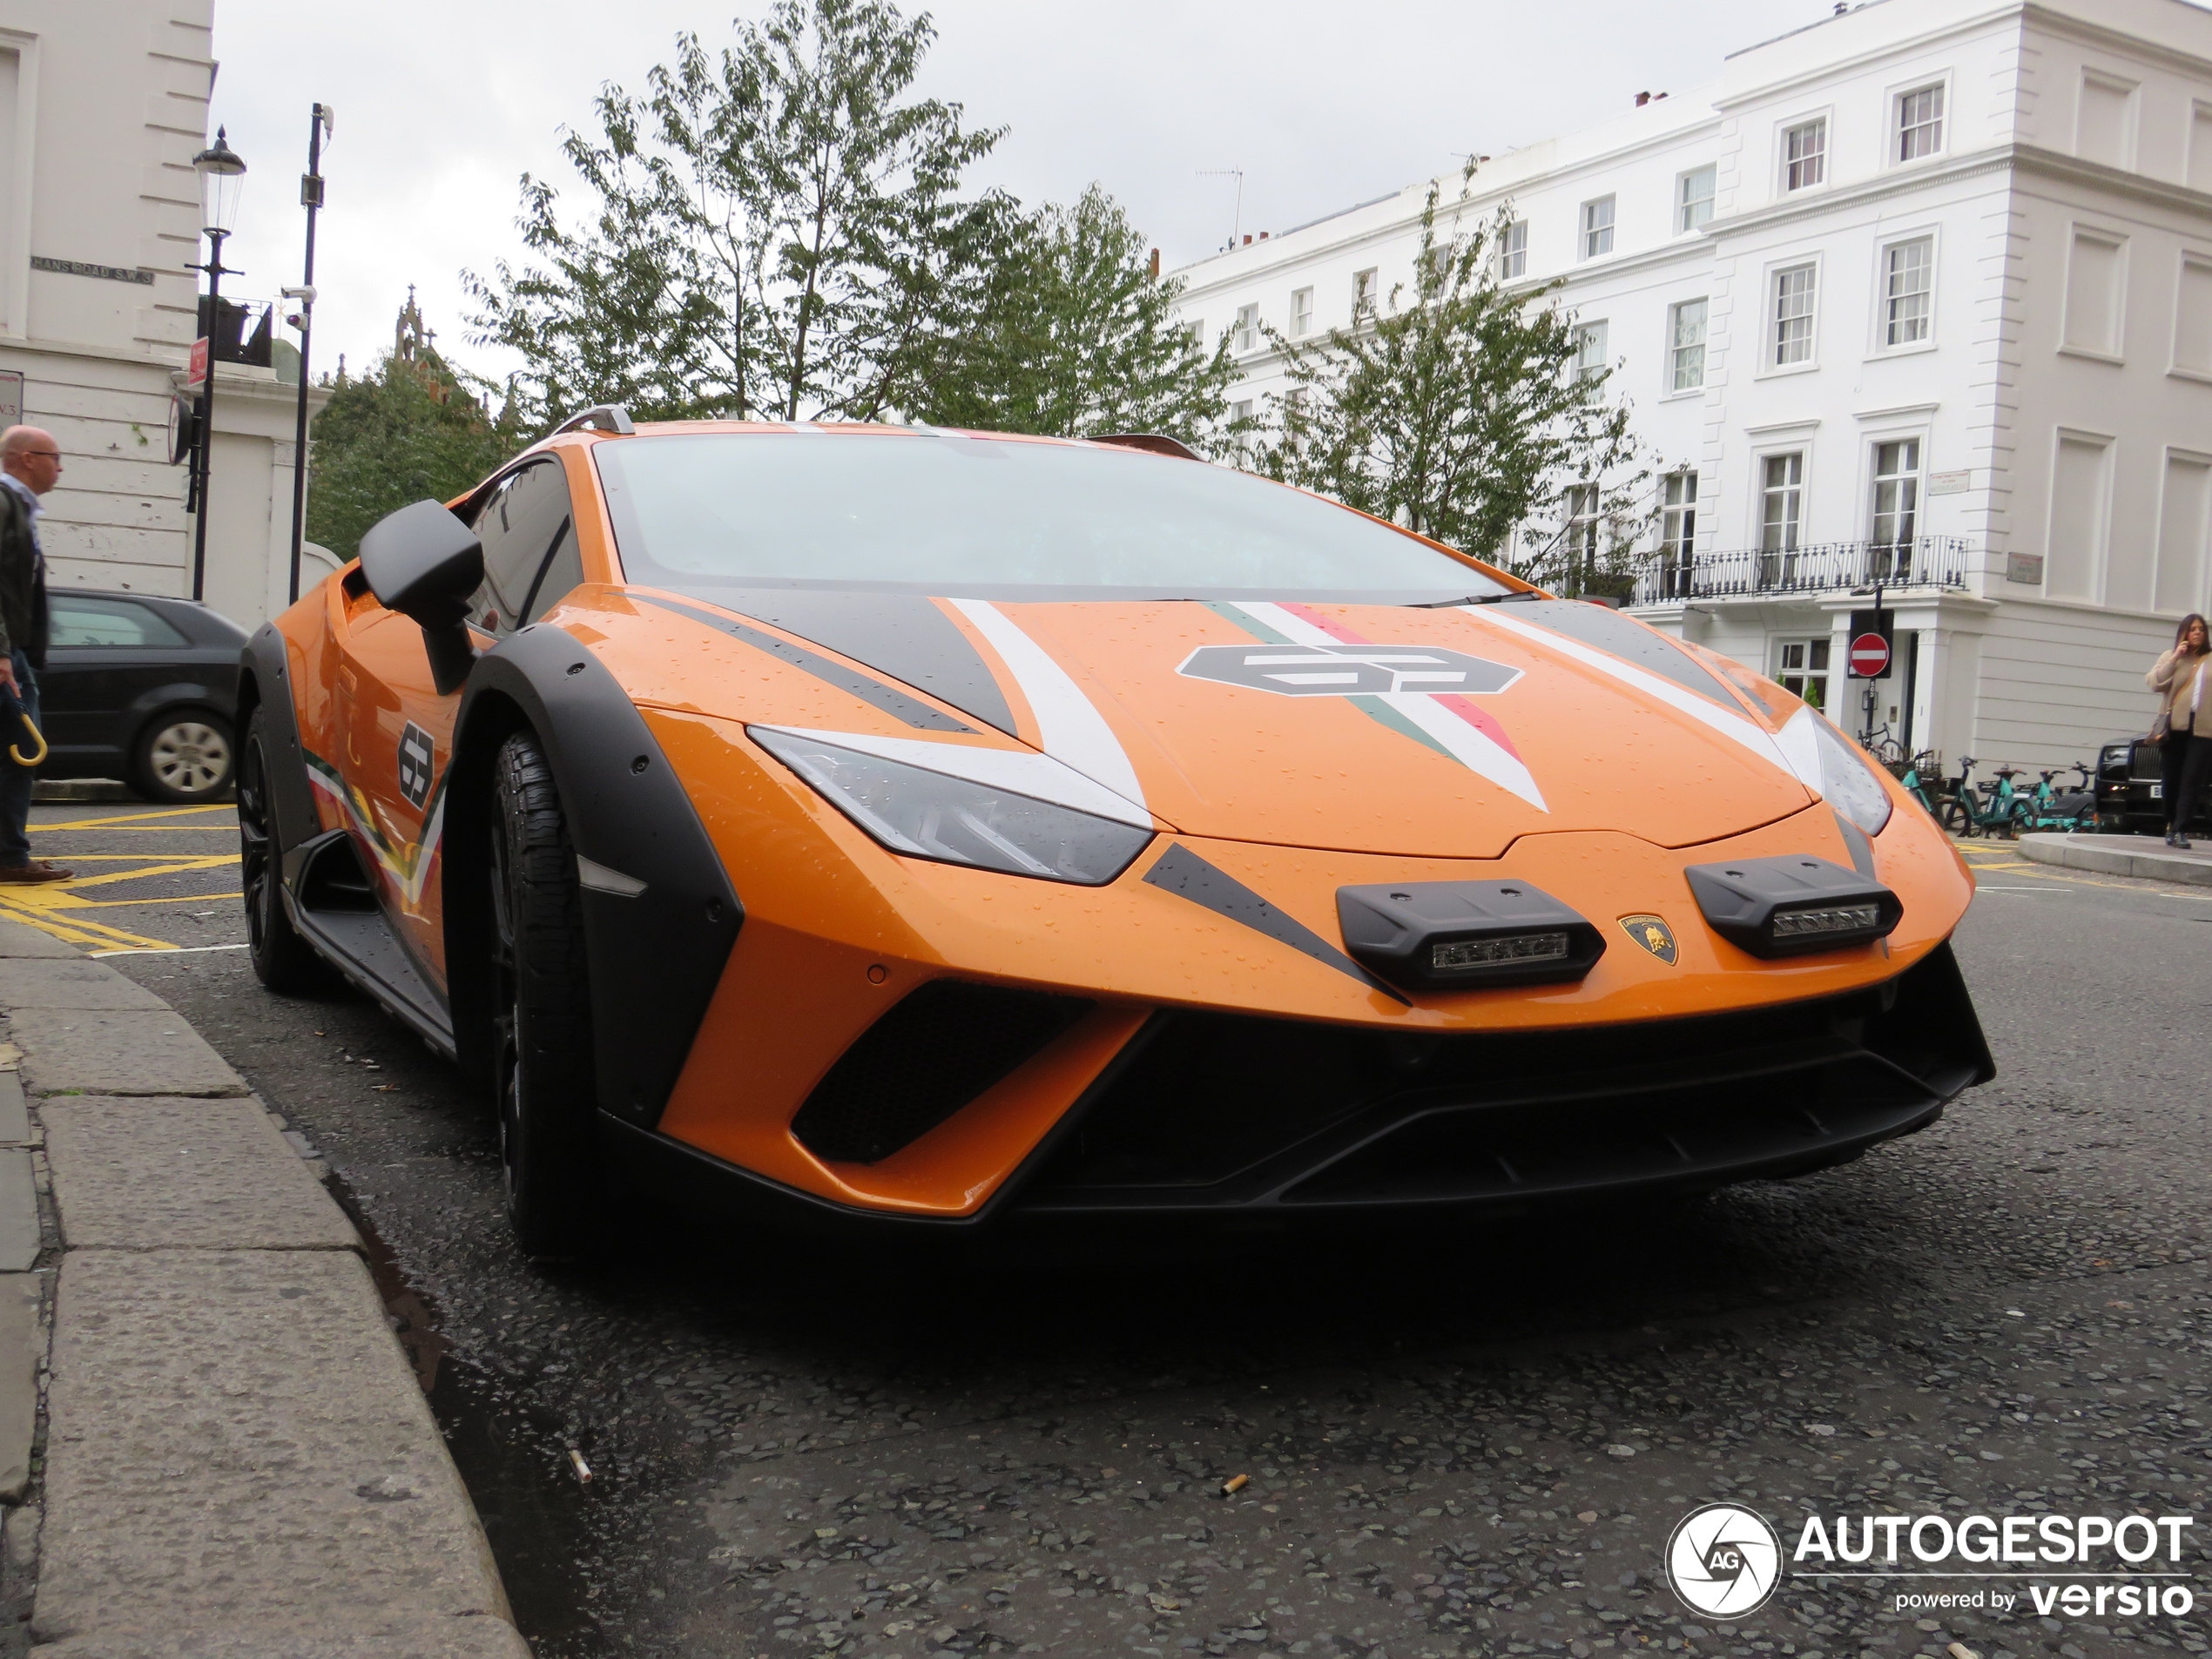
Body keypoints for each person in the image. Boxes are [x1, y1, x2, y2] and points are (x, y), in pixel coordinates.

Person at [0, 426, 71, 882]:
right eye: (54, 457)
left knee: (15, 750)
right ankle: (9, 857)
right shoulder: (4, 504)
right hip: (7, 653)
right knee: (22, 749)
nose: (59, 467)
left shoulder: (18, 508)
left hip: (14, 650)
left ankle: (9, 852)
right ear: (27, 458)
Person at [2147, 611, 2212, 848]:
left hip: (2204, 730)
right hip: (2174, 728)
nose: (2198, 633)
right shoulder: (2172, 656)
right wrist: (2175, 657)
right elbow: (2154, 683)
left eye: (2201, 629)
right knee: (2172, 779)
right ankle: (2170, 824)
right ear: (2184, 632)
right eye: (2193, 629)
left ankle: (2182, 829)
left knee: (2192, 780)